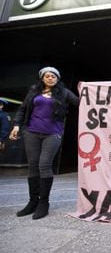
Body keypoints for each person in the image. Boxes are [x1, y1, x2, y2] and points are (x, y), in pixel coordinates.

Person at [9, 67, 79, 219]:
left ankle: (44, 203)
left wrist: (86, 89)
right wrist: (16, 125)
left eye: (53, 76)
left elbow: (80, 102)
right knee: (33, 165)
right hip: (31, 132)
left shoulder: (64, 93)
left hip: (53, 133)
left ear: (57, 78)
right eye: (47, 76)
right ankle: (32, 202)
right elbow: (23, 109)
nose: (50, 78)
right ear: (42, 78)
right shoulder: (34, 91)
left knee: (44, 164)